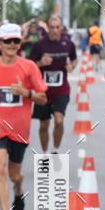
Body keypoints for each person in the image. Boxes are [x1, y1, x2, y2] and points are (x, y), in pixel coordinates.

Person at [0, 22, 47, 210]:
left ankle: (19, 189)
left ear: (20, 43)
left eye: (15, 41)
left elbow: (43, 98)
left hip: (20, 129)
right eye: (7, 41)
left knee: (14, 174)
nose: (11, 44)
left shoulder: (29, 67)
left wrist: (25, 92)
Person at [30, 14, 77, 152]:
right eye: (52, 27)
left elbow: (74, 59)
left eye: (57, 27)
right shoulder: (39, 45)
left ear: (61, 28)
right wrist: (40, 63)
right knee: (44, 124)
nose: (55, 30)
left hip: (61, 89)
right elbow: (30, 65)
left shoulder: (68, 43)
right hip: (42, 90)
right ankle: (44, 154)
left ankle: (55, 150)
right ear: (47, 28)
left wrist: (72, 66)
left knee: (59, 119)